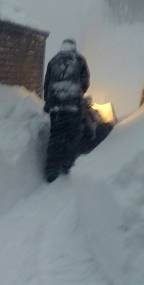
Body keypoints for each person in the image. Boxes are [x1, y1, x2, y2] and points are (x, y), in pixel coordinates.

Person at [43, 38, 90, 182]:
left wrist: (49, 101)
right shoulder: (80, 60)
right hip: (73, 106)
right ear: (74, 48)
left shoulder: (53, 60)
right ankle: (66, 164)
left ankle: (51, 170)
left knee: (55, 136)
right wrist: (77, 94)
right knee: (72, 135)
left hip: (56, 107)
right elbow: (85, 82)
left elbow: (47, 83)